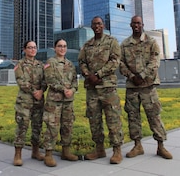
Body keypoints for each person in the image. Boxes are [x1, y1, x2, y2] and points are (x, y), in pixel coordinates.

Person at [119, 15, 173, 160]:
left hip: (148, 86)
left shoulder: (151, 42)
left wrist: (141, 76)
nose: (136, 25)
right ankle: (137, 145)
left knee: (154, 116)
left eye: (138, 23)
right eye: (134, 23)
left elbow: (155, 62)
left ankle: (161, 146)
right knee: (133, 116)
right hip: (132, 87)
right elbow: (121, 63)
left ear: (142, 25)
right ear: (130, 25)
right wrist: (132, 77)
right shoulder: (124, 44)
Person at [78, 16, 124, 164]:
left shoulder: (112, 42)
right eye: (94, 24)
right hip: (92, 89)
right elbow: (82, 61)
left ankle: (117, 150)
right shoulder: (87, 45)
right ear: (91, 27)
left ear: (103, 26)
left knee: (113, 118)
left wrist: (98, 74)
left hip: (108, 87)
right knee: (94, 119)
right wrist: (88, 74)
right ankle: (99, 149)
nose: (96, 26)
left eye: (99, 24)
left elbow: (115, 61)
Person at [43, 38, 78, 167]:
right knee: (52, 127)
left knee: (67, 126)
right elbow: (50, 80)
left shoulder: (70, 64)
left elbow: (75, 81)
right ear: (55, 48)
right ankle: (48, 154)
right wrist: (64, 89)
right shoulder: (50, 63)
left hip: (68, 101)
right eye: (59, 46)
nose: (62, 48)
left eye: (64, 46)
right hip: (54, 101)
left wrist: (72, 90)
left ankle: (66, 151)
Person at [13, 40, 47, 166]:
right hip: (25, 101)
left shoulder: (40, 65)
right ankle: (18, 154)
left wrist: (42, 90)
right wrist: (35, 91)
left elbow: (45, 80)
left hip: (38, 101)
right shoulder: (20, 64)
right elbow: (21, 81)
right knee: (22, 126)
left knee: (37, 126)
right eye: (30, 47)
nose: (32, 50)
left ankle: (35, 151)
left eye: (34, 48)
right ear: (25, 49)